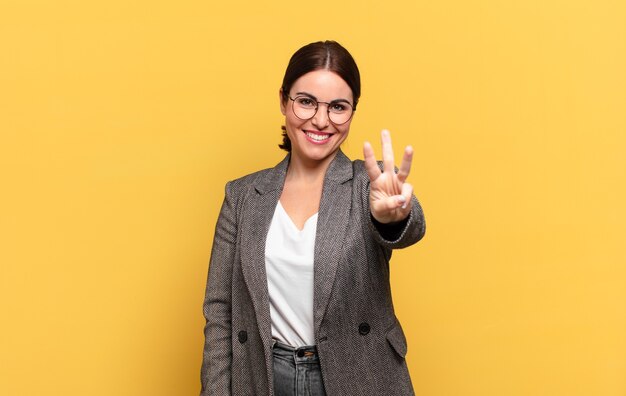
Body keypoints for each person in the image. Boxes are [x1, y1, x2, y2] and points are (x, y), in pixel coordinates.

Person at [200, 40, 426, 396]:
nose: (321, 120)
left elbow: (410, 226)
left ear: (352, 111)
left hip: (357, 373)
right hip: (266, 376)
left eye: (338, 107)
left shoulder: (370, 185)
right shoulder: (242, 196)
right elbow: (220, 311)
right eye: (306, 101)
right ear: (283, 101)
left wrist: (392, 218)